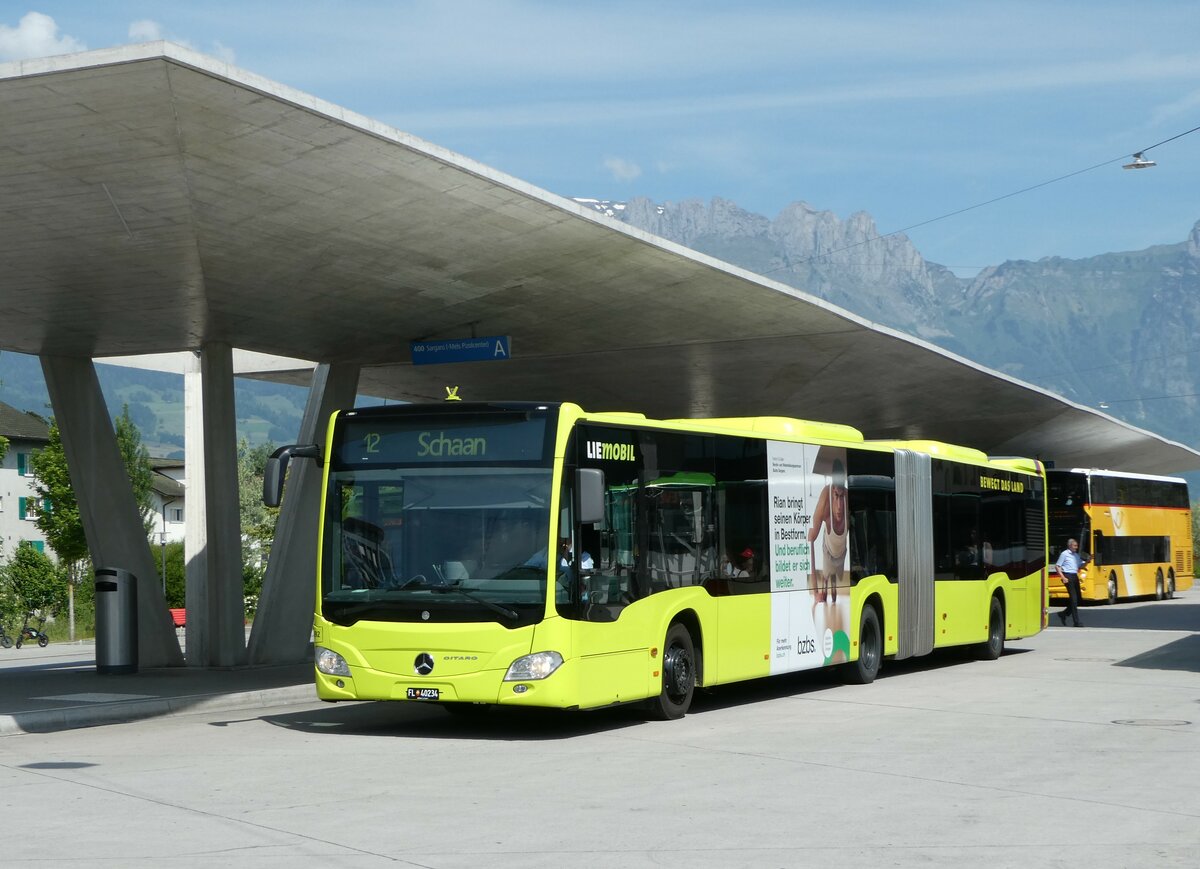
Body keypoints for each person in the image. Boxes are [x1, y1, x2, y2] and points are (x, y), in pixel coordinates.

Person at [809, 459, 849, 603]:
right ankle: (825, 580)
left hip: (840, 551)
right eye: (836, 496)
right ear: (832, 492)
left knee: (834, 591)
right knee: (826, 584)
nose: (839, 507)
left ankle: (829, 579)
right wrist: (815, 592)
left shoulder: (848, 500)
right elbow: (810, 539)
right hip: (828, 547)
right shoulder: (825, 500)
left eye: (842, 497)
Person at [1056, 537, 1084, 627]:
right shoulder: (1064, 554)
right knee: (1074, 599)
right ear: (1070, 546)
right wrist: (1063, 577)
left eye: (1077, 546)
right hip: (1067, 576)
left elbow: (1080, 565)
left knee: (1078, 599)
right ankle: (1076, 622)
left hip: (1075, 576)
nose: (1076, 547)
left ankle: (1064, 614)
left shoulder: (1076, 555)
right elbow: (1057, 566)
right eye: (1075, 546)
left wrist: (1087, 560)